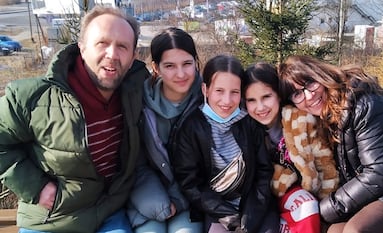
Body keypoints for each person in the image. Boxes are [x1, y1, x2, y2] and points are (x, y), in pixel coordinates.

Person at [0, 5, 150, 233]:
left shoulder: (138, 90)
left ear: (133, 57)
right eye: (102, 43)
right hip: (52, 218)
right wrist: (36, 187)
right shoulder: (31, 98)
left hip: (109, 212)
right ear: (81, 47)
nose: (112, 54)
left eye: (122, 46)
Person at [278, 55, 383, 233]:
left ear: (321, 75)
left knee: (356, 230)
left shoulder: (363, 105)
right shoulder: (318, 120)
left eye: (310, 83)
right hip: (380, 189)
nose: (309, 95)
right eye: (297, 93)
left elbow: (382, 171)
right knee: (332, 230)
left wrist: (327, 208)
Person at [171, 55, 279, 233]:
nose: (227, 101)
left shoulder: (248, 122)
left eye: (234, 92)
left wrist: (249, 217)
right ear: (205, 90)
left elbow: (263, 171)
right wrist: (228, 216)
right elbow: (190, 183)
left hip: (255, 206)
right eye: (219, 91)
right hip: (216, 210)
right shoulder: (192, 127)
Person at [126, 27, 203, 233]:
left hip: (194, 198)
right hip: (148, 196)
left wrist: (179, 199)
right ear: (156, 68)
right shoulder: (139, 102)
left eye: (187, 64)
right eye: (170, 65)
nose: (180, 74)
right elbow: (136, 162)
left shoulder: (209, 99)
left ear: (196, 62)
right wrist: (156, 203)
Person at [243, 62, 327, 233]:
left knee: (306, 206)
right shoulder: (245, 130)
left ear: (278, 95)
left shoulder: (299, 121)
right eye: (251, 100)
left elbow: (323, 160)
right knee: (304, 206)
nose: (260, 107)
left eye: (266, 97)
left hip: (300, 188)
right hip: (264, 195)